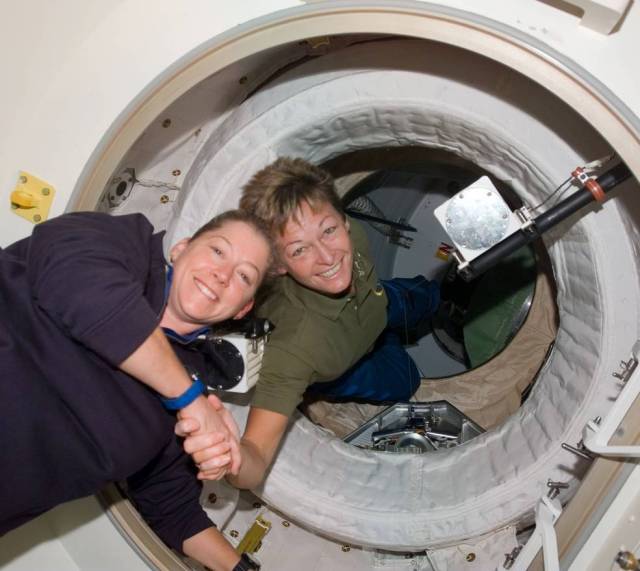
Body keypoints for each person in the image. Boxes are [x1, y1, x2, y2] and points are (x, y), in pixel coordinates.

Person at [0, 209, 272, 571]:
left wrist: (239, 569)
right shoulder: (124, 243)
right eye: (218, 251)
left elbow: (170, 503)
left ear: (243, 308)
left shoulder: (194, 394)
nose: (222, 275)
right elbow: (77, 282)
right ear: (180, 248)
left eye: (243, 276)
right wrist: (189, 400)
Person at [179, 157, 439, 490]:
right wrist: (232, 457)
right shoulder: (294, 352)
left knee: (428, 295)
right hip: (349, 364)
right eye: (300, 250)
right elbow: (256, 457)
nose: (328, 258)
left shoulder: (352, 238)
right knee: (406, 380)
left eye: (329, 231)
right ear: (278, 266)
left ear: (344, 221)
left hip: (377, 302)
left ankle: (448, 295)